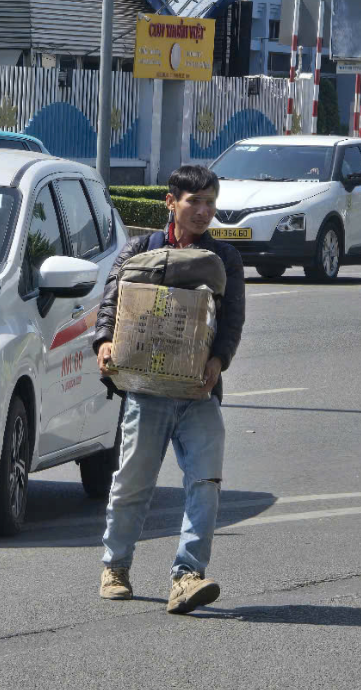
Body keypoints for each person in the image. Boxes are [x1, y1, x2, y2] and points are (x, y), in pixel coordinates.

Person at [92, 164, 245, 615]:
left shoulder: (225, 260)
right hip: (146, 390)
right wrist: (103, 343)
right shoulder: (139, 250)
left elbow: (232, 320)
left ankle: (187, 576)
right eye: (194, 202)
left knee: (206, 483)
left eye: (210, 203)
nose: (203, 211)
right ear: (170, 203)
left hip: (200, 393)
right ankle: (115, 567)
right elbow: (111, 304)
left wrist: (219, 361)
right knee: (132, 483)